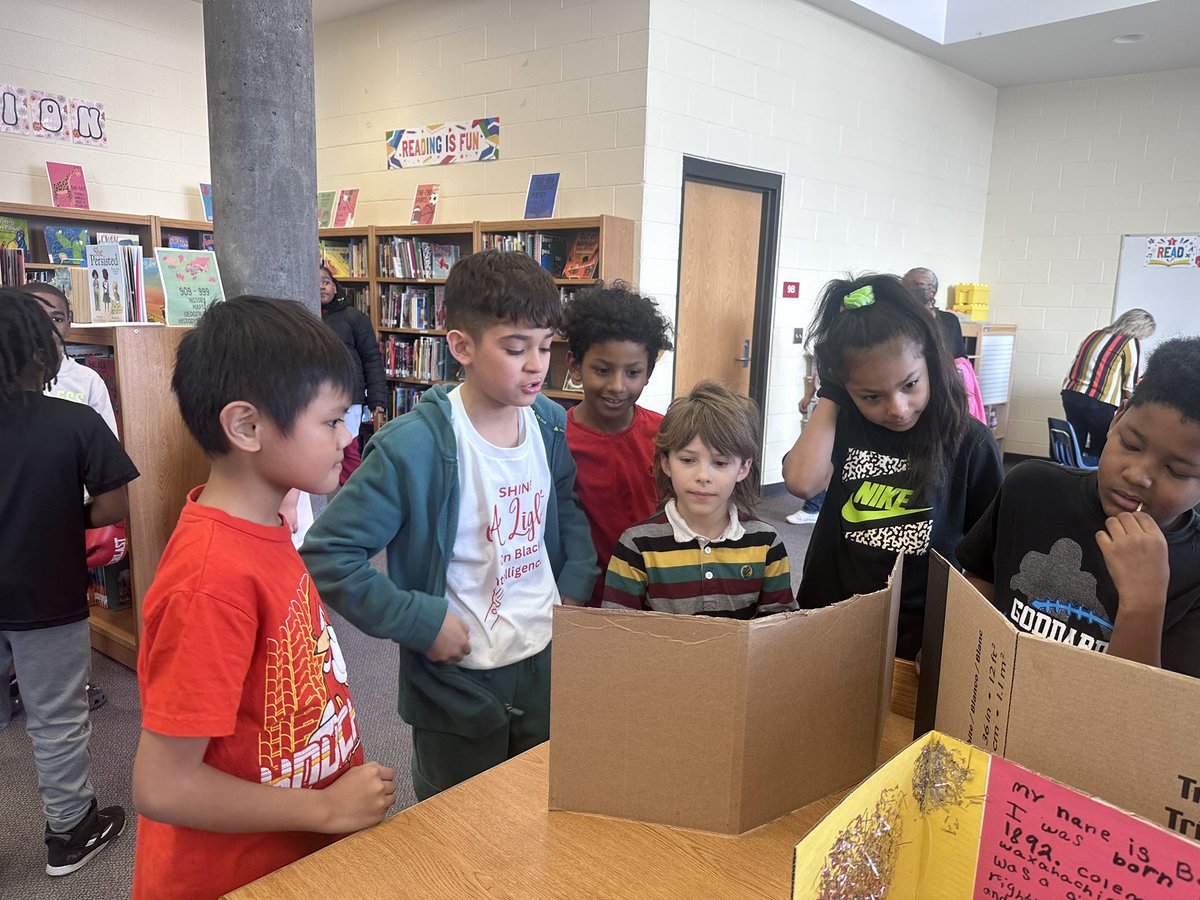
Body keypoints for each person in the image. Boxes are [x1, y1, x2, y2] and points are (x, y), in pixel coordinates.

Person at [301, 250, 598, 801]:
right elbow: (329, 553)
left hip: (545, 660)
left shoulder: (551, 425)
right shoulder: (413, 445)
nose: (537, 364)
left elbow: (564, 507)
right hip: (457, 677)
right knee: (458, 824)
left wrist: (575, 587)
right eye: (515, 349)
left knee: (542, 807)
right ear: (461, 346)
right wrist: (418, 621)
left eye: (545, 346)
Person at [131, 297, 395, 900]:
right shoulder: (210, 582)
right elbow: (163, 787)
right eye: (330, 422)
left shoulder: (266, 526)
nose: (345, 437)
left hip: (293, 851)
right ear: (246, 426)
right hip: (234, 874)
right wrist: (325, 811)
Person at [782, 274, 1003, 658]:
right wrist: (831, 395)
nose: (897, 408)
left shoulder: (970, 442)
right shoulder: (842, 425)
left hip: (918, 627)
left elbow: (990, 557)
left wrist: (950, 631)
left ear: (932, 363)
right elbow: (802, 483)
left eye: (910, 385)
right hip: (833, 612)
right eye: (871, 395)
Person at [959, 337, 1200, 676]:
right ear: (1116, 419)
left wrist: (1142, 605)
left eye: (1177, 471)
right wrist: (951, 644)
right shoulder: (1030, 487)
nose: (1137, 475)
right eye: (1130, 444)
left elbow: (1153, 712)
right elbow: (981, 579)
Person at [0, 290, 138, 876]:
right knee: (56, 717)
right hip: (44, 590)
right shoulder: (74, 421)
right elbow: (110, 506)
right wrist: (64, 513)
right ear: (40, 355)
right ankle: (70, 833)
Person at [604, 380, 795, 617]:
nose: (703, 476)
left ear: (744, 468)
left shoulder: (766, 542)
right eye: (687, 460)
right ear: (666, 463)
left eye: (720, 463)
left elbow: (778, 627)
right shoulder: (637, 545)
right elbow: (618, 631)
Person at [14, 281, 118, 714]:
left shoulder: (86, 382)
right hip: (19, 516)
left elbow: (108, 456)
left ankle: (71, 684)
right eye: (34, 315)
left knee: (64, 607)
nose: (46, 326)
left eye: (56, 317)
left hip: (67, 515)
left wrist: (80, 515)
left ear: (69, 325)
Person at [561, 281, 674, 606]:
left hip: (660, 593)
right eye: (602, 369)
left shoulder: (665, 433)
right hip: (588, 599)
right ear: (575, 366)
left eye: (633, 372)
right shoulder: (558, 441)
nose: (617, 386)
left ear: (649, 372)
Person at [319, 262, 387, 483]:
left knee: (348, 447)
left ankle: (353, 492)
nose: (321, 287)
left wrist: (377, 397)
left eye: (326, 282)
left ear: (335, 287)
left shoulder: (354, 318)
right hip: (317, 395)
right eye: (316, 283)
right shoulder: (306, 318)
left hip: (350, 395)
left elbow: (372, 358)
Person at [1061, 308, 1155, 456]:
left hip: (1070, 394)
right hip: (1098, 400)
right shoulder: (1130, 342)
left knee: (1075, 442)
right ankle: (1093, 476)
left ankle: (1070, 474)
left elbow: (1077, 360)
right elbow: (1130, 379)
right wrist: (1134, 403)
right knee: (1101, 445)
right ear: (1138, 328)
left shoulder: (1095, 334)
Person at [786, 352, 826, 525]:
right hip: (821, 404)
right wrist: (808, 395)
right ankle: (814, 508)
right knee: (815, 458)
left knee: (824, 460)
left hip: (838, 406)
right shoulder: (822, 341)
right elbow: (817, 373)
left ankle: (813, 508)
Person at [903, 267, 965, 359]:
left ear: (932, 291)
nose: (907, 289)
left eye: (916, 285)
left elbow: (960, 357)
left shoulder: (950, 321)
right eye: (905, 285)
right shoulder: (897, 318)